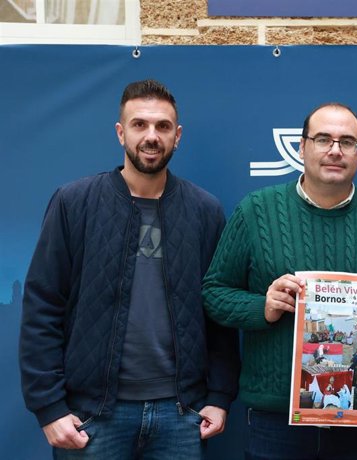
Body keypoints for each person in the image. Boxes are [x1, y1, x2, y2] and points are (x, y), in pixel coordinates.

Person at [19, 79, 240, 458]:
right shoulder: (75, 203)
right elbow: (43, 307)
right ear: (121, 133)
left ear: (178, 135)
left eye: (163, 126)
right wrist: (50, 408)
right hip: (92, 416)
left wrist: (219, 396)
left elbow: (217, 310)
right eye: (139, 125)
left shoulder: (205, 211)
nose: (151, 136)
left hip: (181, 415)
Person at [202, 102, 357, 460]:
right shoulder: (255, 211)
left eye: (347, 141)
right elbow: (213, 293)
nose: (335, 150)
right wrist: (263, 307)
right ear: (302, 147)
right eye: (323, 139)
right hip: (276, 422)